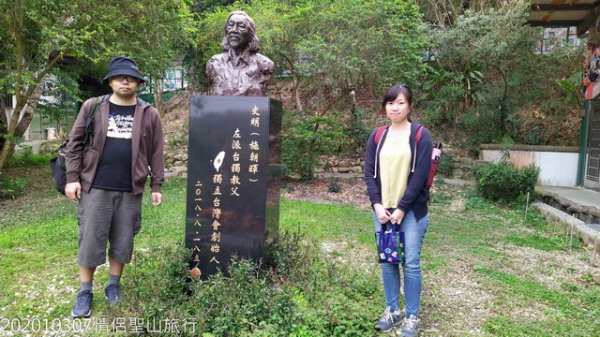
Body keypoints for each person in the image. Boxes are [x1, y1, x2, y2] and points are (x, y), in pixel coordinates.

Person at [64, 56, 164, 318]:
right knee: (90, 239)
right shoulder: (92, 107)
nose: (125, 81)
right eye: (119, 77)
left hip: (130, 189)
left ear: (138, 83)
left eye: (130, 78)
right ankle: (85, 291)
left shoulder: (149, 113)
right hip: (95, 186)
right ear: (110, 80)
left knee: (123, 240)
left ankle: (113, 285)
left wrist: (157, 185)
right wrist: (72, 177)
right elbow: (73, 144)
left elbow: (156, 152)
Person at [364, 84, 432, 336]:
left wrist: (402, 208)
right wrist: (377, 204)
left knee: (411, 263)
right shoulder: (378, 135)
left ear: (409, 106)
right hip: (382, 211)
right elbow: (369, 172)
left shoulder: (420, 135)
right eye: (391, 103)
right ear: (385, 106)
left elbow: (420, 175)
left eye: (401, 102)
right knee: (388, 262)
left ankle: (412, 316)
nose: (395, 107)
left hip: (411, 211)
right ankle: (393, 309)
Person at [206, 10, 274, 96]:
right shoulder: (214, 63)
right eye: (230, 25)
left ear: (250, 33)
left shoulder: (264, 65)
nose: (234, 30)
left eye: (241, 26)